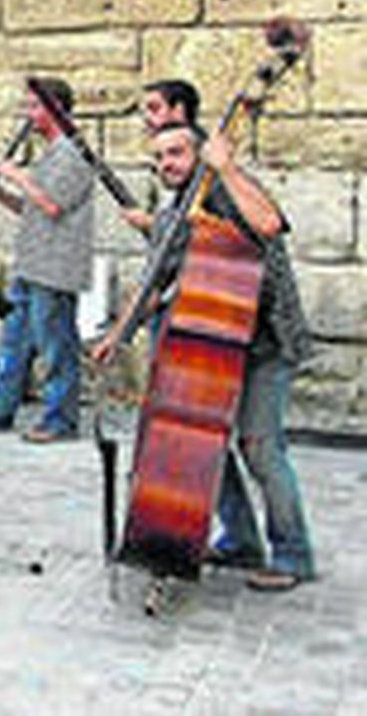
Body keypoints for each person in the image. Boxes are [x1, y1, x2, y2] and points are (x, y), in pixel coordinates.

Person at [93, 124, 314, 592]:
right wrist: (117, 335)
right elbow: (153, 283)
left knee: (260, 446)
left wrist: (227, 166)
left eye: (176, 153)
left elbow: (270, 223)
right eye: (159, 158)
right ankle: (241, 542)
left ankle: (294, 554)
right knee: (207, 442)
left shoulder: (233, 187)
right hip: (215, 341)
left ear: (201, 153)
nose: (166, 164)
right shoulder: (176, 212)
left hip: (266, 342)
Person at [0, 77, 95, 443]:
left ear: (57, 109)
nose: (28, 114)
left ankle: (60, 421)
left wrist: (17, 175)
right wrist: (2, 196)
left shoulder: (74, 152)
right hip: (31, 261)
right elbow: (35, 209)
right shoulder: (49, 151)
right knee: (13, 344)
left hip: (55, 266)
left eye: (35, 106)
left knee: (56, 345)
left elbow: (51, 204)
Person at [123, 79, 204, 234]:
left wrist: (151, 223)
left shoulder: (206, 159)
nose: (146, 118)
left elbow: (207, 230)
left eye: (154, 109)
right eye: (159, 157)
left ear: (178, 110)